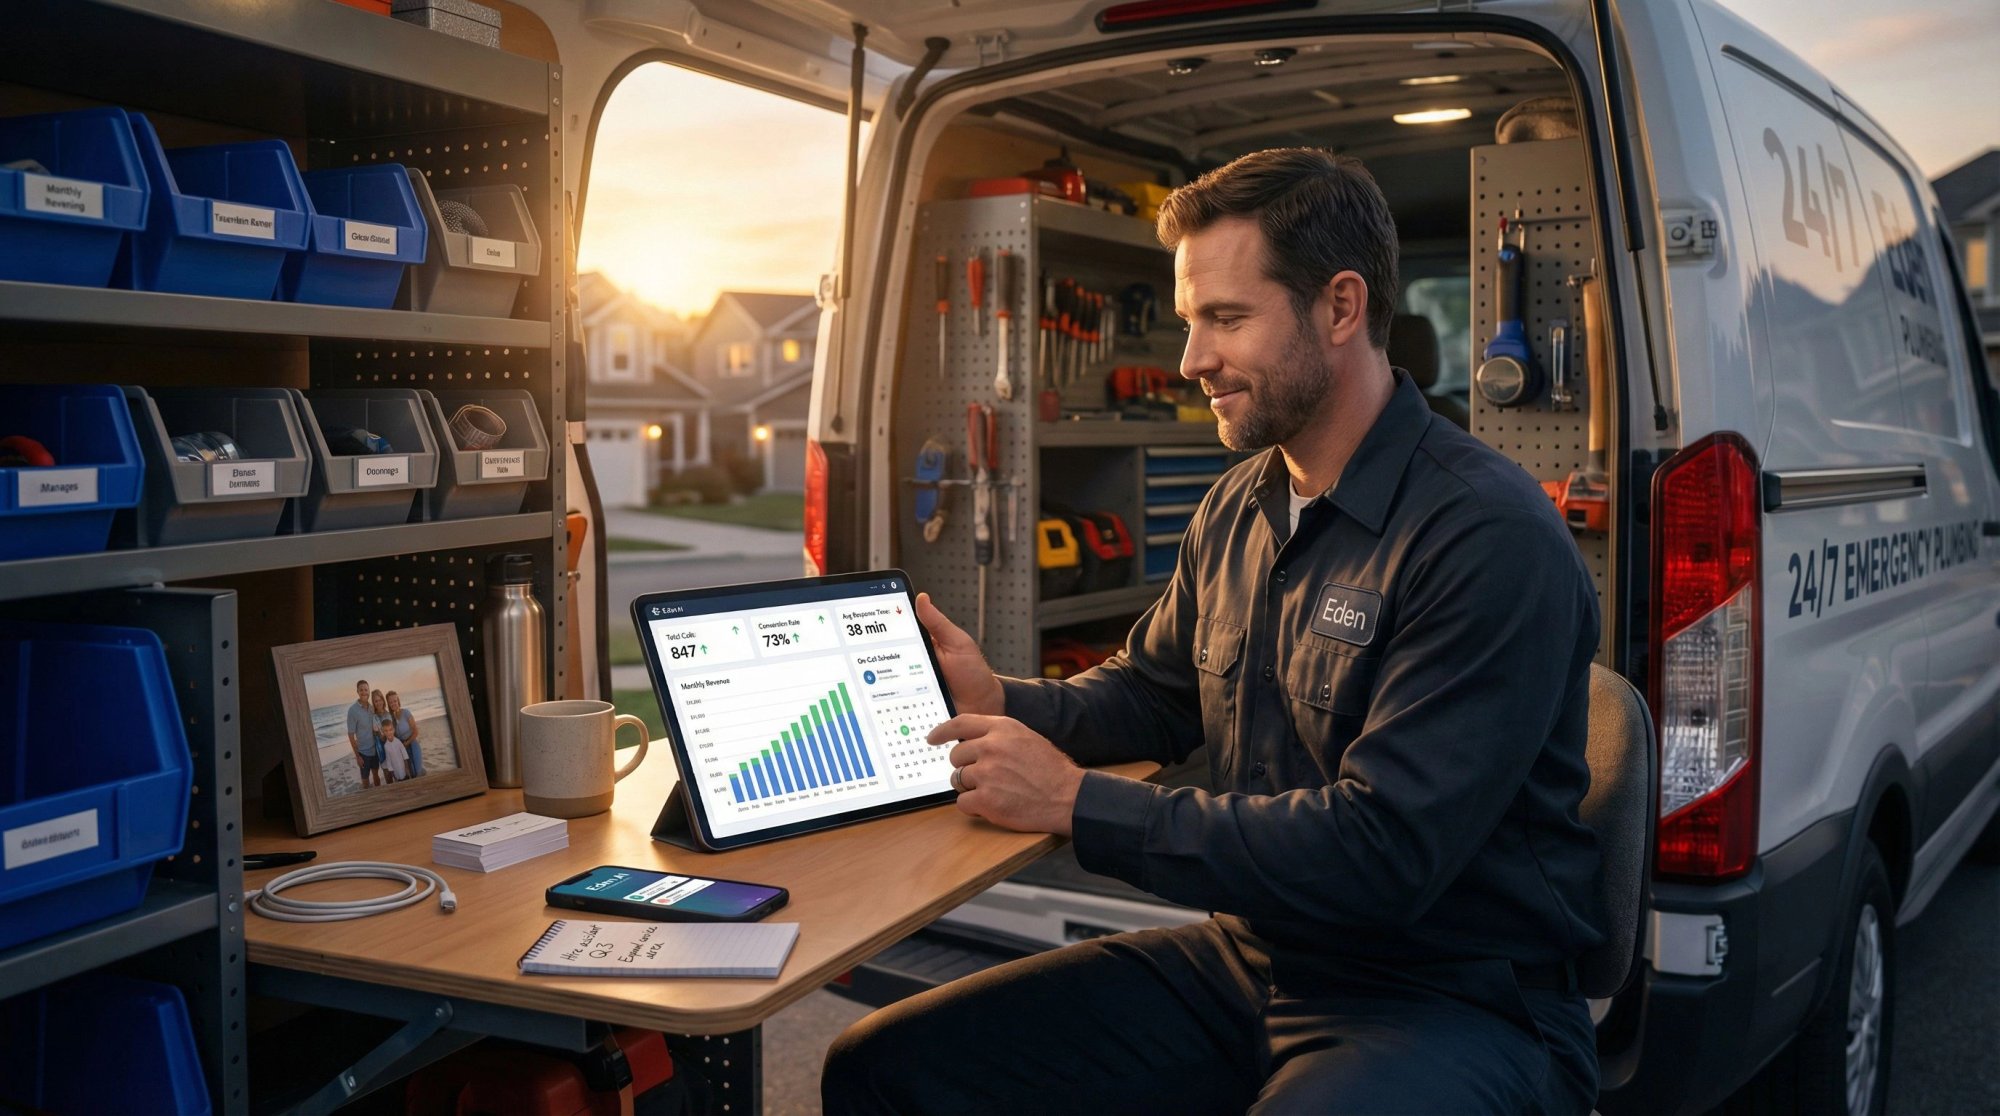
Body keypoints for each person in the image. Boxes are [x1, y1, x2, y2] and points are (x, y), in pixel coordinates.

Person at [822, 148, 1605, 1115]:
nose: (1192, 360)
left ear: (1341, 308)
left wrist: (1074, 804)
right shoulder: (1242, 502)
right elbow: (1152, 696)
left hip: (1450, 997)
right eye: (1192, 321)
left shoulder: (1484, 536)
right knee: (885, 1068)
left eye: (1227, 319)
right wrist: (1001, 703)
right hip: (1256, 959)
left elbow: (1381, 852)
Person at [344, 678, 382, 789]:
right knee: (365, 780)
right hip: (363, 753)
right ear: (357, 692)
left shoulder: (371, 708)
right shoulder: (352, 710)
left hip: (375, 750)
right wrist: (357, 756)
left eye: (366, 689)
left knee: (376, 774)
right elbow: (351, 735)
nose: (364, 692)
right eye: (361, 690)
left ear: (369, 691)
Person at [388, 691, 424, 777]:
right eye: (391, 702)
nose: (393, 703)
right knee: (411, 773)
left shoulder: (406, 713)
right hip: (403, 748)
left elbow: (416, 731)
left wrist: (407, 743)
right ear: (389, 704)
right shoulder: (391, 718)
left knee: (418, 771)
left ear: (398, 701)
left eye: (395, 701)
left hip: (412, 742)